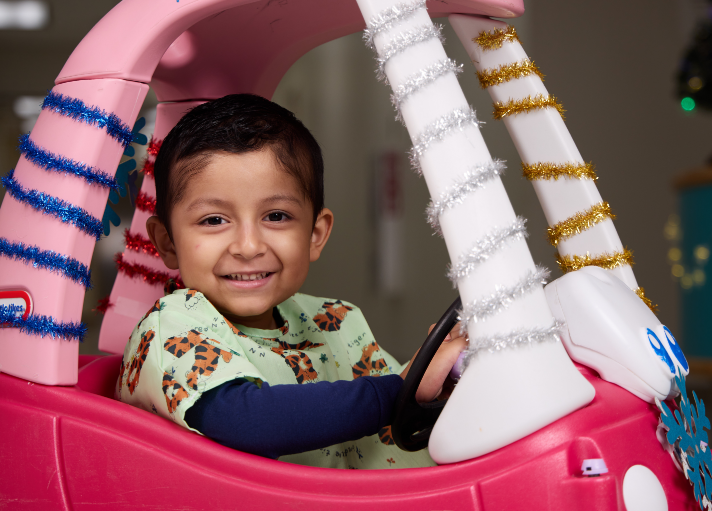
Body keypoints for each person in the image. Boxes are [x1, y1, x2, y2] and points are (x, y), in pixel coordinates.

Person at [117, 93, 465, 469]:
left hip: (391, 509)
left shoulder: (336, 319)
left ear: (315, 235)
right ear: (168, 243)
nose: (248, 246)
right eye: (214, 220)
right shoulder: (172, 329)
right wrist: (397, 392)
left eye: (277, 216)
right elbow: (247, 421)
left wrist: (441, 381)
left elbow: (404, 403)